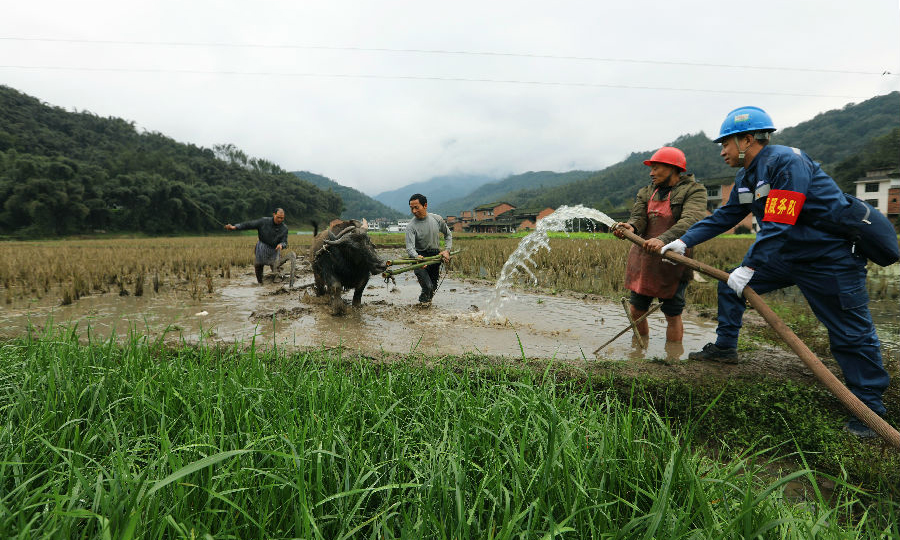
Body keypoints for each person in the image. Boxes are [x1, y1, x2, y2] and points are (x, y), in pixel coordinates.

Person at [659, 106, 890, 438]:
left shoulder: (787, 163)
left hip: (829, 259)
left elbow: (780, 221)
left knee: (850, 332)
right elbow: (726, 216)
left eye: (725, 143)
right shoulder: (748, 176)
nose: (722, 151)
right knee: (729, 284)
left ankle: (869, 408)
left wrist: (750, 266)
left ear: (747, 139)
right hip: (789, 255)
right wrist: (683, 241)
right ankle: (725, 349)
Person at [613, 146, 707, 344]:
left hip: (673, 259)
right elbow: (638, 218)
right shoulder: (647, 192)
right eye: (651, 168)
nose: (651, 173)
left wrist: (663, 239)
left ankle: (672, 360)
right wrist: (629, 227)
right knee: (636, 309)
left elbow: (692, 219)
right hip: (644, 259)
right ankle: (640, 349)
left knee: (672, 313)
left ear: (673, 168)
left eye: (656, 168)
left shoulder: (694, 190)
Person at [225, 208, 293, 284]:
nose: (280, 220)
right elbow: (249, 225)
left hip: (275, 249)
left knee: (276, 268)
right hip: (262, 246)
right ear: (274, 215)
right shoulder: (264, 221)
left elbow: (284, 241)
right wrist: (235, 227)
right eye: (278, 217)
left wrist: (281, 245)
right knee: (258, 265)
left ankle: (276, 284)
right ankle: (260, 283)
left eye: (282, 218)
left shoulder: (284, 228)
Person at [406, 194, 452, 304]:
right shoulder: (411, 226)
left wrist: (447, 250)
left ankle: (424, 307)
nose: (413, 211)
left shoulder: (437, 219)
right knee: (428, 286)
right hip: (419, 258)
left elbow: (448, 234)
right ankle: (423, 308)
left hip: (435, 256)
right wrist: (417, 256)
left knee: (433, 287)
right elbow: (410, 248)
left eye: (416, 207)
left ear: (425, 205)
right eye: (411, 208)